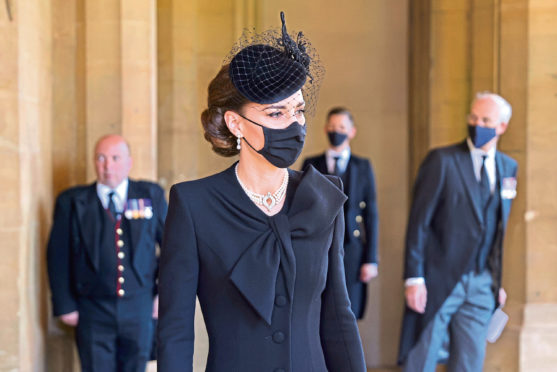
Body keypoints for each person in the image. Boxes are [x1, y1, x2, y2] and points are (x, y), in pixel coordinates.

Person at [157, 12, 366, 372]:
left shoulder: (324, 197)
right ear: (236, 123)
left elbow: (338, 318)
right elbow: (175, 330)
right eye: (276, 113)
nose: (294, 124)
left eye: (297, 110)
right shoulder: (194, 205)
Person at [398, 92, 518, 371]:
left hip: (482, 283)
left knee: (469, 362)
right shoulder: (442, 160)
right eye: (473, 118)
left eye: (486, 120)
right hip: (439, 278)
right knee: (422, 359)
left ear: (502, 127)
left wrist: (496, 281)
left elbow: (499, 229)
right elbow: (419, 222)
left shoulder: (508, 167)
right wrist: (414, 278)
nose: (477, 124)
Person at [47, 134, 167, 372]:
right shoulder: (72, 201)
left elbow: (174, 248)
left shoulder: (149, 195)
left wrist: (162, 294)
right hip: (92, 309)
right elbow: (57, 256)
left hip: (140, 307)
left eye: (115, 158)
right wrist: (65, 305)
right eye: (101, 158)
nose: (107, 165)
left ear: (129, 162)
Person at [302, 107, 379, 319]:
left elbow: (371, 213)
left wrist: (370, 259)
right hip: (319, 247)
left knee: (349, 311)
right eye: (333, 127)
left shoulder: (362, 166)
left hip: (353, 249)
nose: (337, 131)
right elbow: (301, 209)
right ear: (326, 129)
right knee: (319, 310)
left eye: (342, 127)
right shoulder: (311, 164)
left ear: (352, 131)